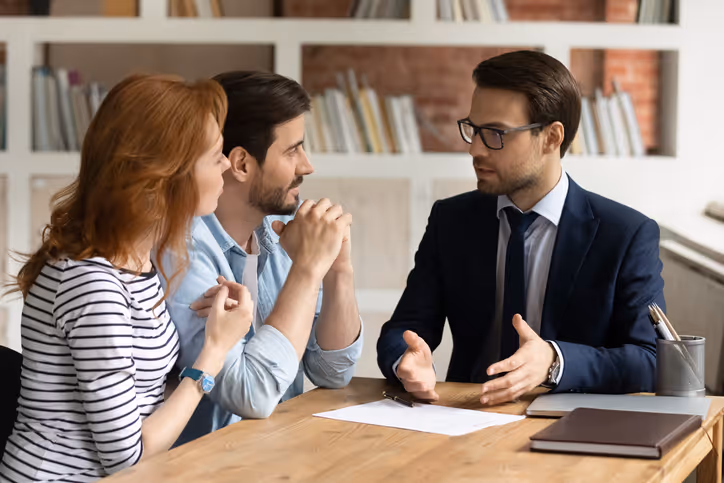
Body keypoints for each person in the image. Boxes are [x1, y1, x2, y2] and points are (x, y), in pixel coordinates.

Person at [0, 74, 253, 482]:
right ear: (163, 178)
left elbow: (142, 397)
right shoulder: (92, 285)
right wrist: (215, 351)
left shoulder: (134, 263)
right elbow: (128, 459)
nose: (227, 164)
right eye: (215, 155)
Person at [377, 50, 664, 405]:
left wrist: (555, 362)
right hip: (462, 419)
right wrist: (405, 360)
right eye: (473, 130)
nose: (476, 150)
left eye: (496, 134)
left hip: (572, 428)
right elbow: (404, 327)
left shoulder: (625, 235)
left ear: (551, 137)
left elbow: (650, 360)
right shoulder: (451, 220)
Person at [162, 71, 362, 445]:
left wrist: (338, 270)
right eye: (292, 150)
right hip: (205, 468)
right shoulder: (182, 251)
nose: (307, 166)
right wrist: (307, 270)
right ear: (240, 164)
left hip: (278, 456)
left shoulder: (284, 227)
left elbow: (332, 371)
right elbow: (249, 394)